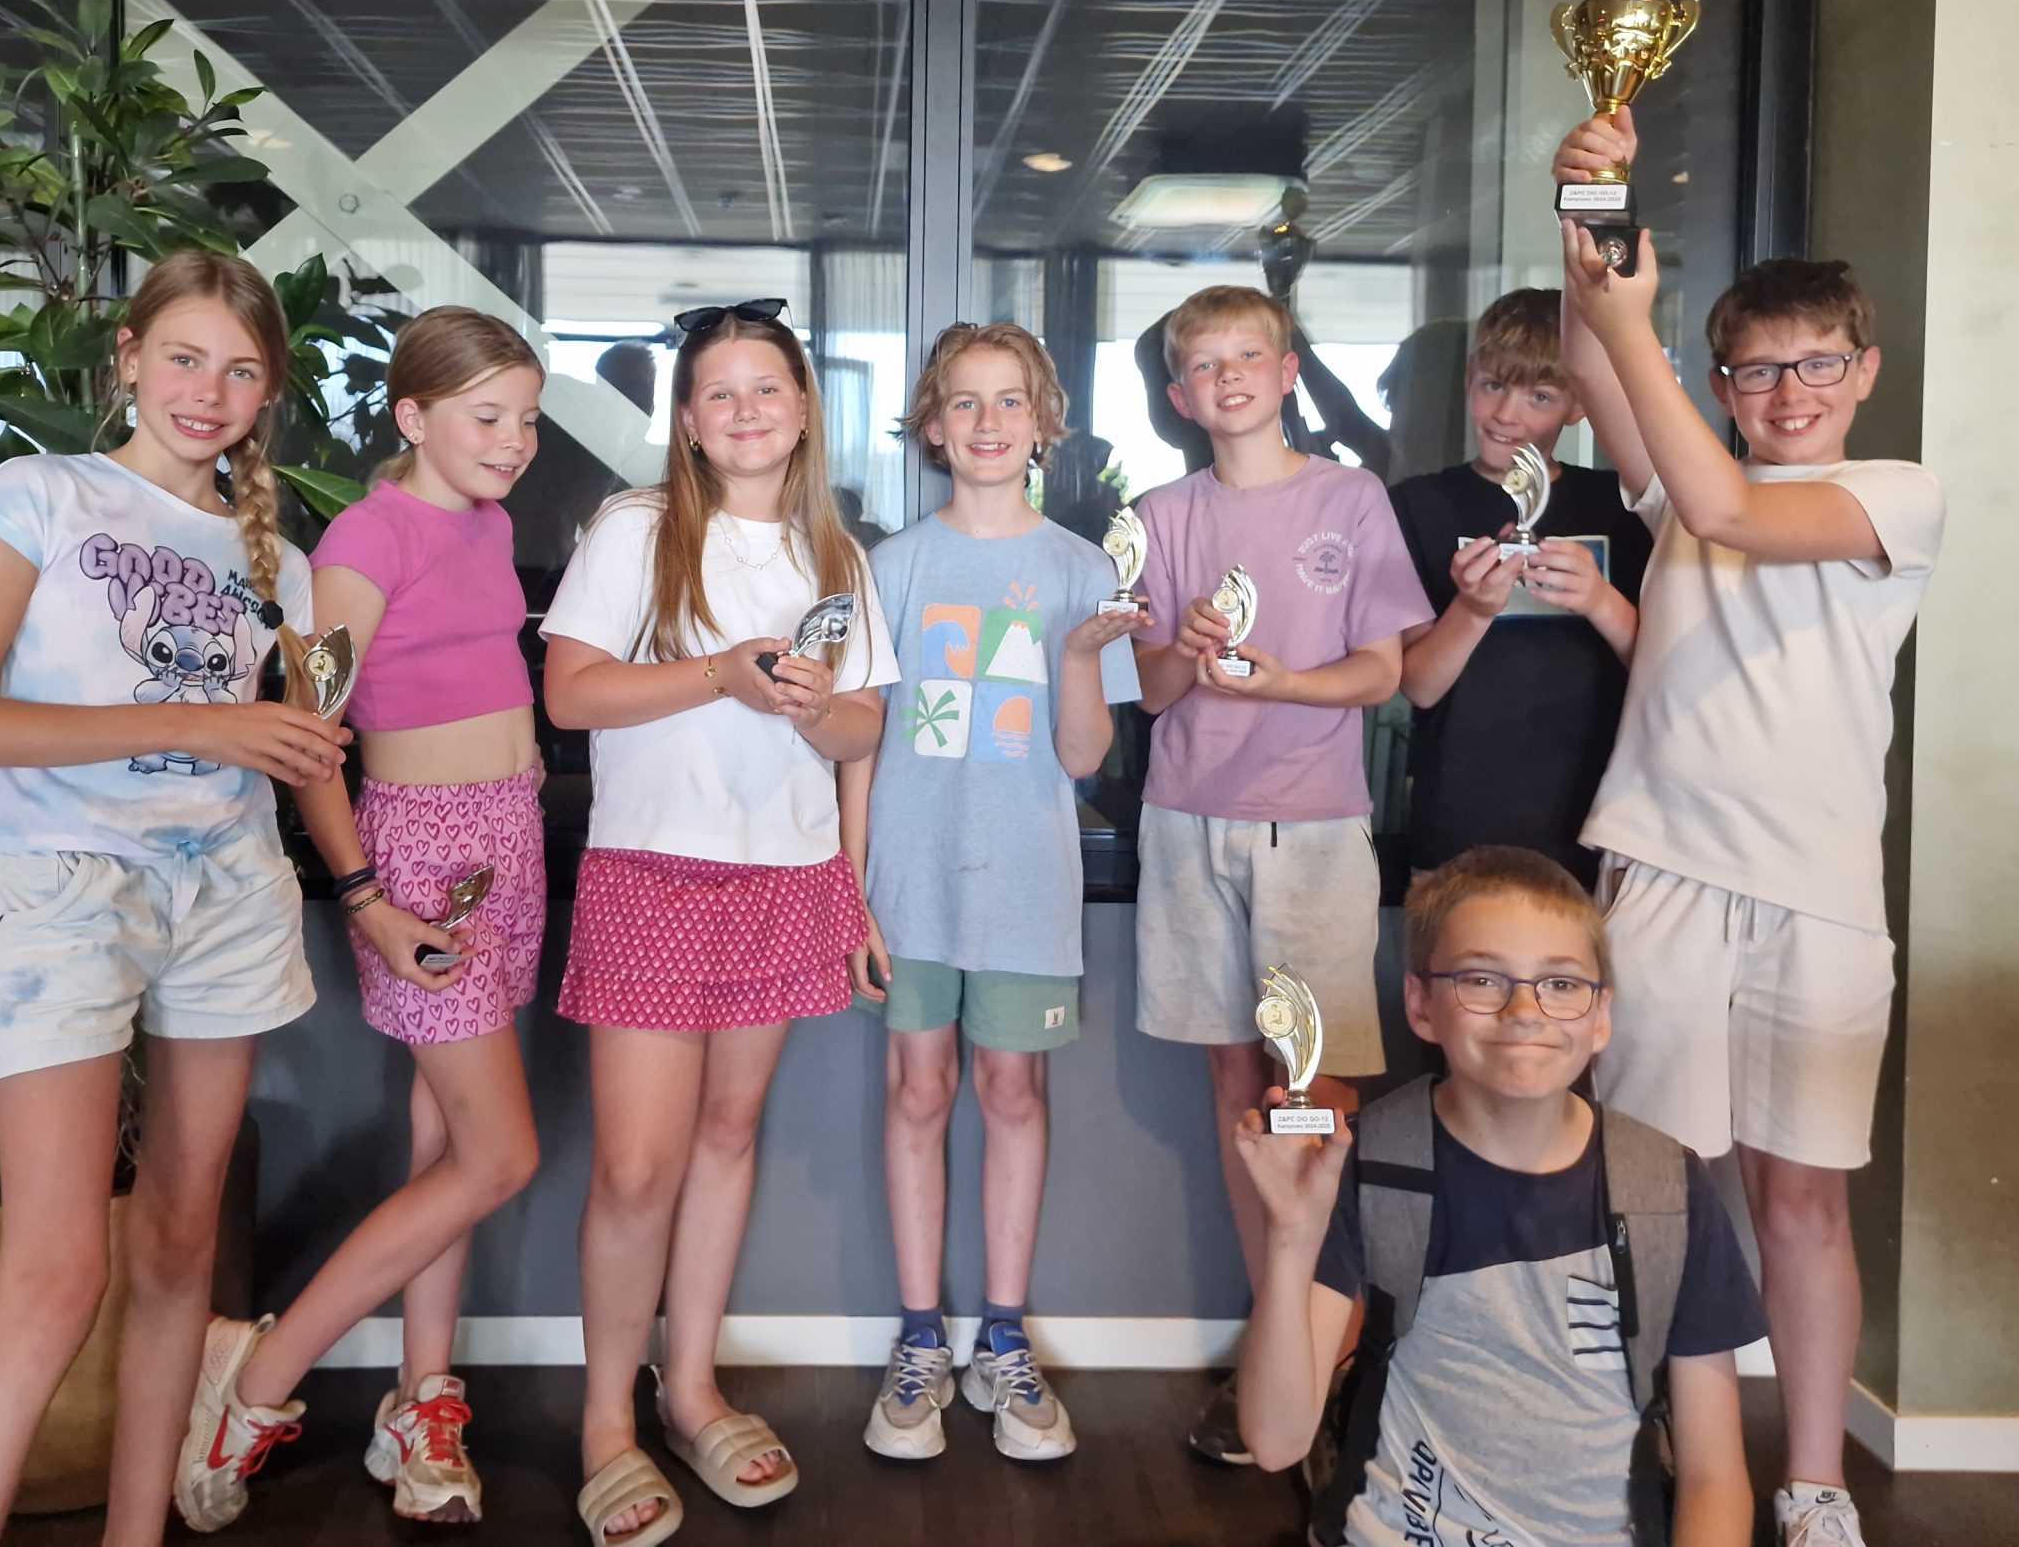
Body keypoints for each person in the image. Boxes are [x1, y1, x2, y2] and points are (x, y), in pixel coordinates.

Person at [0, 251, 346, 1547]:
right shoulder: (41, 498)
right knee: (54, 1274)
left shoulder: (287, 568)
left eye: (240, 371)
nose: (208, 391)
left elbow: (292, 746)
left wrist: (312, 784)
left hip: (230, 893)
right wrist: (203, 721)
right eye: (185, 358)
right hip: (69, 891)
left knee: (181, 1248)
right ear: (130, 359)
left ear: (267, 394)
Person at [1555, 108, 1945, 1547]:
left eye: (1817, 364)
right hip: (1663, 875)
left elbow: (1727, 508)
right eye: (1759, 370)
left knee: (1802, 1205)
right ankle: (1671, 1443)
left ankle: (1816, 1482)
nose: (1789, 392)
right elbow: (1594, 361)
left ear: (1864, 372)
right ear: (1721, 380)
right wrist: (1588, 201)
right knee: (1660, 1194)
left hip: (1821, 898)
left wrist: (1637, 330)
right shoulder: (1678, 477)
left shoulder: (1894, 496)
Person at [176, 309, 549, 1531]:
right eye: (487, 416)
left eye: (527, 419)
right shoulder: (364, 540)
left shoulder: (490, 526)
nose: (513, 440)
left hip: (505, 844)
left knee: (448, 1148)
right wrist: (366, 897)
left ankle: (420, 1401)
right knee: (501, 1157)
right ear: (413, 416)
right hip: (421, 858)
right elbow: (309, 739)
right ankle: (256, 1379)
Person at [540, 297, 900, 1547]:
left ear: (803, 409)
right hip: (652, 873)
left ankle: (688, 1389)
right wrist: (717, 675)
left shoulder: (836, 554)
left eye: (767, 388)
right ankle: (606, 1423)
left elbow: (863, 729)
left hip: (787, 878)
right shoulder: (635, 529)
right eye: (719, 393)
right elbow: (569, 694)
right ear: (687, 422)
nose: (746, 410)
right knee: (636, 1168)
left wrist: (809, 709)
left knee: (728, 1138)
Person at [1233, 847, 1764, 1546]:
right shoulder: (1370, 1163)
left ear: (1600, 1016)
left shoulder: (1666, 1188)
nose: (1524, 1011)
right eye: (1482, 980)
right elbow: (1275, 1442)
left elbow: (1714, 1477)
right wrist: (1292, 1236)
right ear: (1421, 1004)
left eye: (1561, 984)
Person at [1127, 283, 1434, 1463]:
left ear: (1289, 368)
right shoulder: (1159, 515)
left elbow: (1381, 673)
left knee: (1311, 1092)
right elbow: (1149, 693)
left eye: (1246, 357)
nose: (1227, 379)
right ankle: (1277, 1346)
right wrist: (1182, 650)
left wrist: (1280, 685)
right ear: (1178, 396)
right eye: (1203, 366)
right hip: (1184, 823)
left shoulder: (1348, 499)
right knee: (1232, 1084)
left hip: (1309, 829)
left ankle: (1330, 1356)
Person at [839, 323, 1147, 1465]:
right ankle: (920, 1338)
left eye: (1009, 401)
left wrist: (1080, 657)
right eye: (963, 403)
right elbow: (860, 744)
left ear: (1042, 423)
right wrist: (853, 890)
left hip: (1024, 887)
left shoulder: (1082, 571)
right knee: (917, 1091)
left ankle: (1001, 1341)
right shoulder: (890, 565)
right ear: (931, 426)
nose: (986, 423)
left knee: (1012, 1093)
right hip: (909, 882)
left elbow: (1081, 759)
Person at [1390, 288, 1651, 888]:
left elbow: (1665, 671)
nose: (1507, 414)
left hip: (1601, 822)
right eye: (1494, 386)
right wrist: (1474, 608)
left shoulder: (1622, 507)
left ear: (1578, 404)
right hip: (1458, 820)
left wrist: (1599, 600)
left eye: (1540, 396)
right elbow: (1419, 685)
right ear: (1469, 380)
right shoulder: (1418, 506)